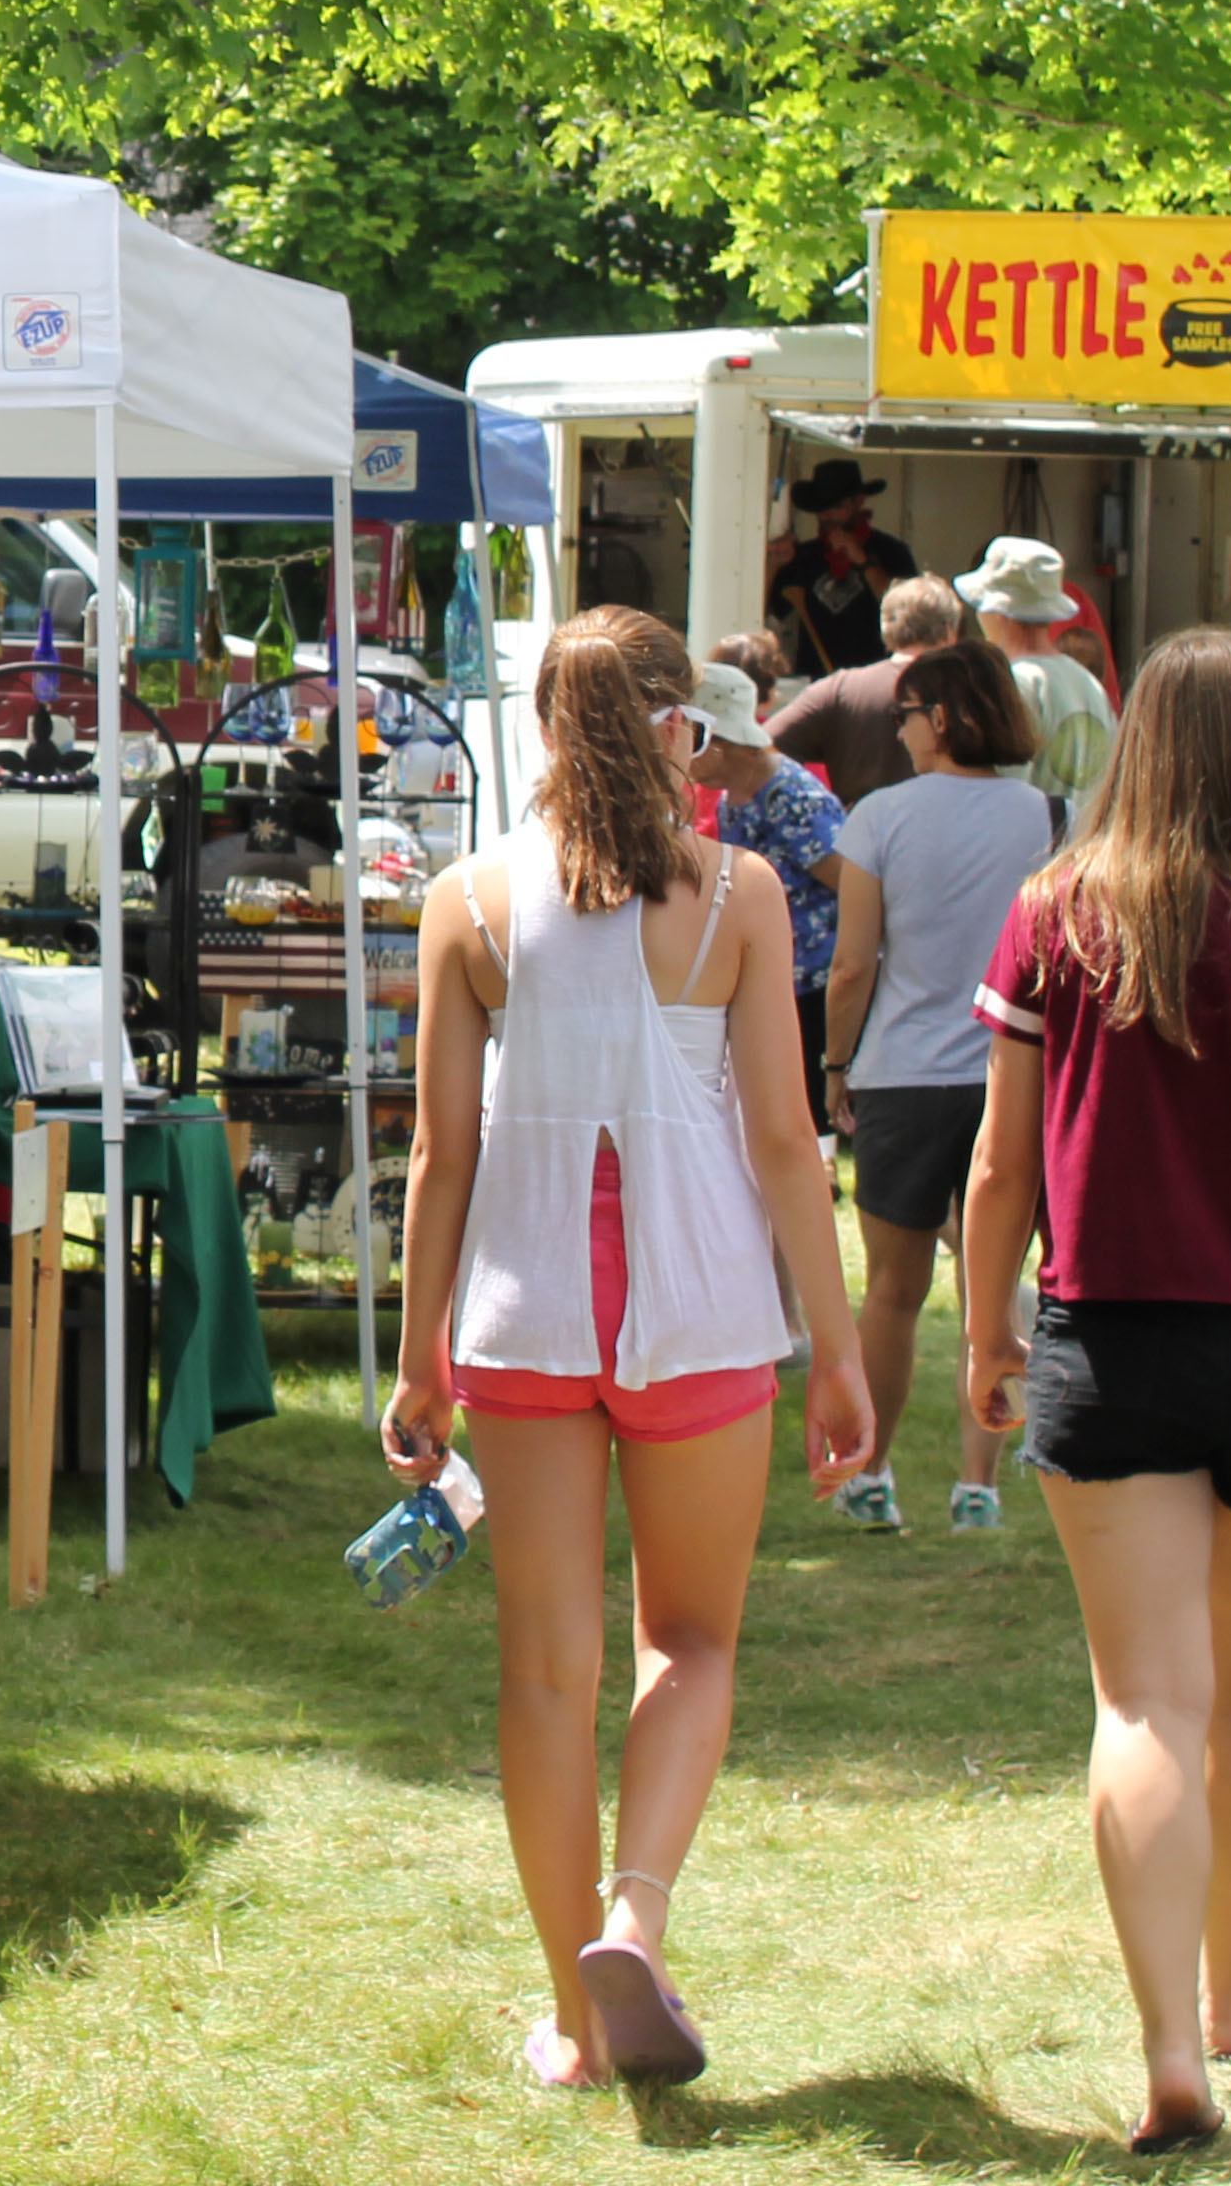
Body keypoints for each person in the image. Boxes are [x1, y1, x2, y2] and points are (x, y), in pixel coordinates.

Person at [388, 606, 870, 2093]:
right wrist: (840, 1355)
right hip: (701, 1315)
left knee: (547, 1674)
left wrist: (417, 1364)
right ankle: (637, 1917)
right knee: (695, 1641)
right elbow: (788, 1145)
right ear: (679, 730)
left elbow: (437, 1157)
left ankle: (571, 2015)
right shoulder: (735, 896)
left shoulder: (466, 901)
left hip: (525, 1319)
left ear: (538, 728)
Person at [956, 632, 1231, 2159]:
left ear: (1138, 741)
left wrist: (982, 1333)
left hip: (1107, 1340)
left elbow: (1003, 1160)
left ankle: (1168, 2045)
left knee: (1143, 1698)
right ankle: (1229, 1995)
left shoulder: (1053, 916)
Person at [825, 635, 1055, 1533]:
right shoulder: (1043, 815)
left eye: (908, 711)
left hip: (902, 1074)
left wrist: (834, 1066)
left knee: (892, 1289)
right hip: (1011, 1070)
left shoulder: (880, 817)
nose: (900, 726)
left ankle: (873, 1474)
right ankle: (978, 1488)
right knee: (992, 1288)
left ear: (944, 718)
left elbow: (853, 965)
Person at [684, 660, 850, 1119]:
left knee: (804, 1102)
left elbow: (850, 883)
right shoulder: (732, 795)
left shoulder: (791, 797)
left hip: (814, 977)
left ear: (717, 744)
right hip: (773, 970)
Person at [770, 577, 968, 806]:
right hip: (949, 833)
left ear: (886, 626)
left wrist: (816, 810)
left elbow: (764, 745)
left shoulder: (841, 688)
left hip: (860, 831)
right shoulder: (970, 690)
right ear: (950, 631)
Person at [962, 537, 1123, 801]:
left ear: (999, 612)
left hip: (1034, 841)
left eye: (980, 605)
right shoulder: (1089, 684)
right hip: (1088, 839)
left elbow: (1001, 799)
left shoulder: (1011, 686)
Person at [767, 462, 922, 678]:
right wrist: (773, 563)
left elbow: (909, 613)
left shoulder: (891, 551)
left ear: (859, 501)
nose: (828, 516)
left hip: (877, 678)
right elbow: (769, 611)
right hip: (818, 680)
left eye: (837, 507)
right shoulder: (804, 555)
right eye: (822, 508)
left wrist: (863, 561)